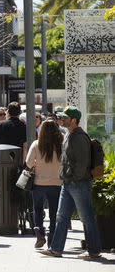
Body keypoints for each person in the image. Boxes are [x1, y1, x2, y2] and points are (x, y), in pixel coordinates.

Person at [41, 106, 102, 259]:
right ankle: (56, 249)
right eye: (61, 117)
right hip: (68, 183)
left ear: (74, 120)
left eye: (65, 117)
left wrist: (74, 178)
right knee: (61, 216)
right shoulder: (69, 134)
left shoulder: (79, 137)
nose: (61, 119)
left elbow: (82, 163)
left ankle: (94, 250)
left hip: (78, 183)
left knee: (86, 217)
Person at [26, 119, 63, 248]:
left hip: (39, 182)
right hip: (57, 182)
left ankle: (40, 234)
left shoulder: (36, 144)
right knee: (54, 211)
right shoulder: (61, 145)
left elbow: (29, 163)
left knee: (37, 208)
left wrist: (37, 163)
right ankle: (52, 237)